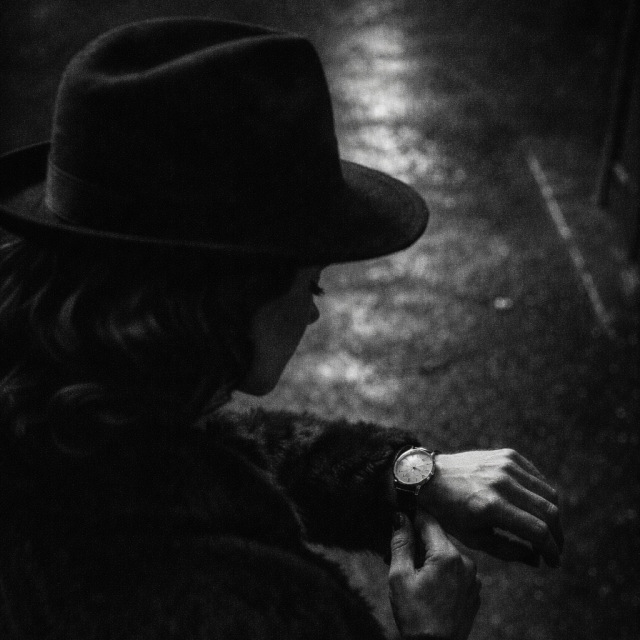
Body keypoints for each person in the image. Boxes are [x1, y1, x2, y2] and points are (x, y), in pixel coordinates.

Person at [0, 18, 562, 640]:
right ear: (227, 297)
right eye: (311, 283)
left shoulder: (62, 404)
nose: (313, 312)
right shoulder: (214, 600)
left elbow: (217, 455)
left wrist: (408, 474)